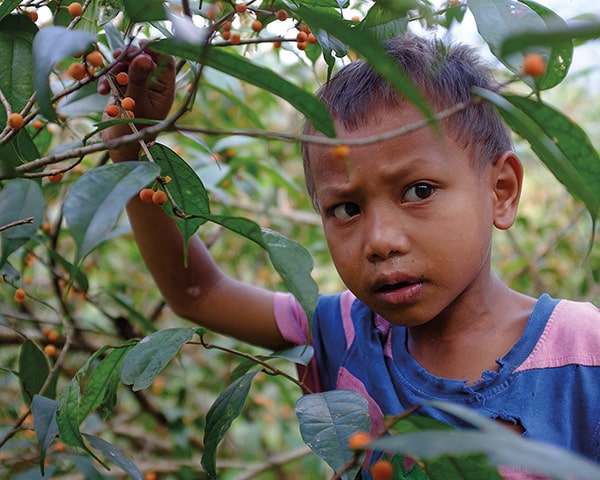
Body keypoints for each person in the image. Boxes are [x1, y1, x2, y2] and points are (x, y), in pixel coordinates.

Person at [99, 34, 600, 477]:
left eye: (418, 190)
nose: (380, 240)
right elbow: (198, 293)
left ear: (502, 191)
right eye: (345, 208)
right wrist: (130, 143)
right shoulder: (340, 333)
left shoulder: (585, 353)